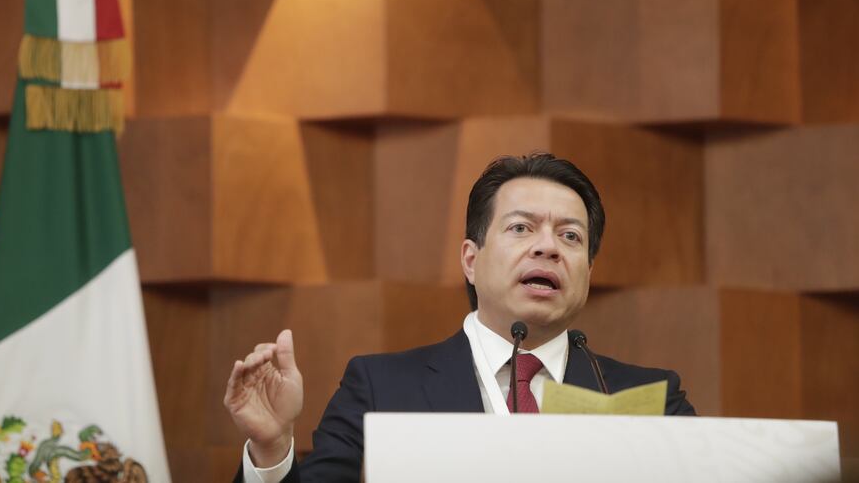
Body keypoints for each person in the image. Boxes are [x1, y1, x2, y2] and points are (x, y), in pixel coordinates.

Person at [224, 153, 695, 482]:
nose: (548, 246)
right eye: (521, 228)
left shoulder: (650, 401)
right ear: (470, 259)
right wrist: (272, 448)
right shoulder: (379, 387)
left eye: (571, 237)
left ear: (588, 272)